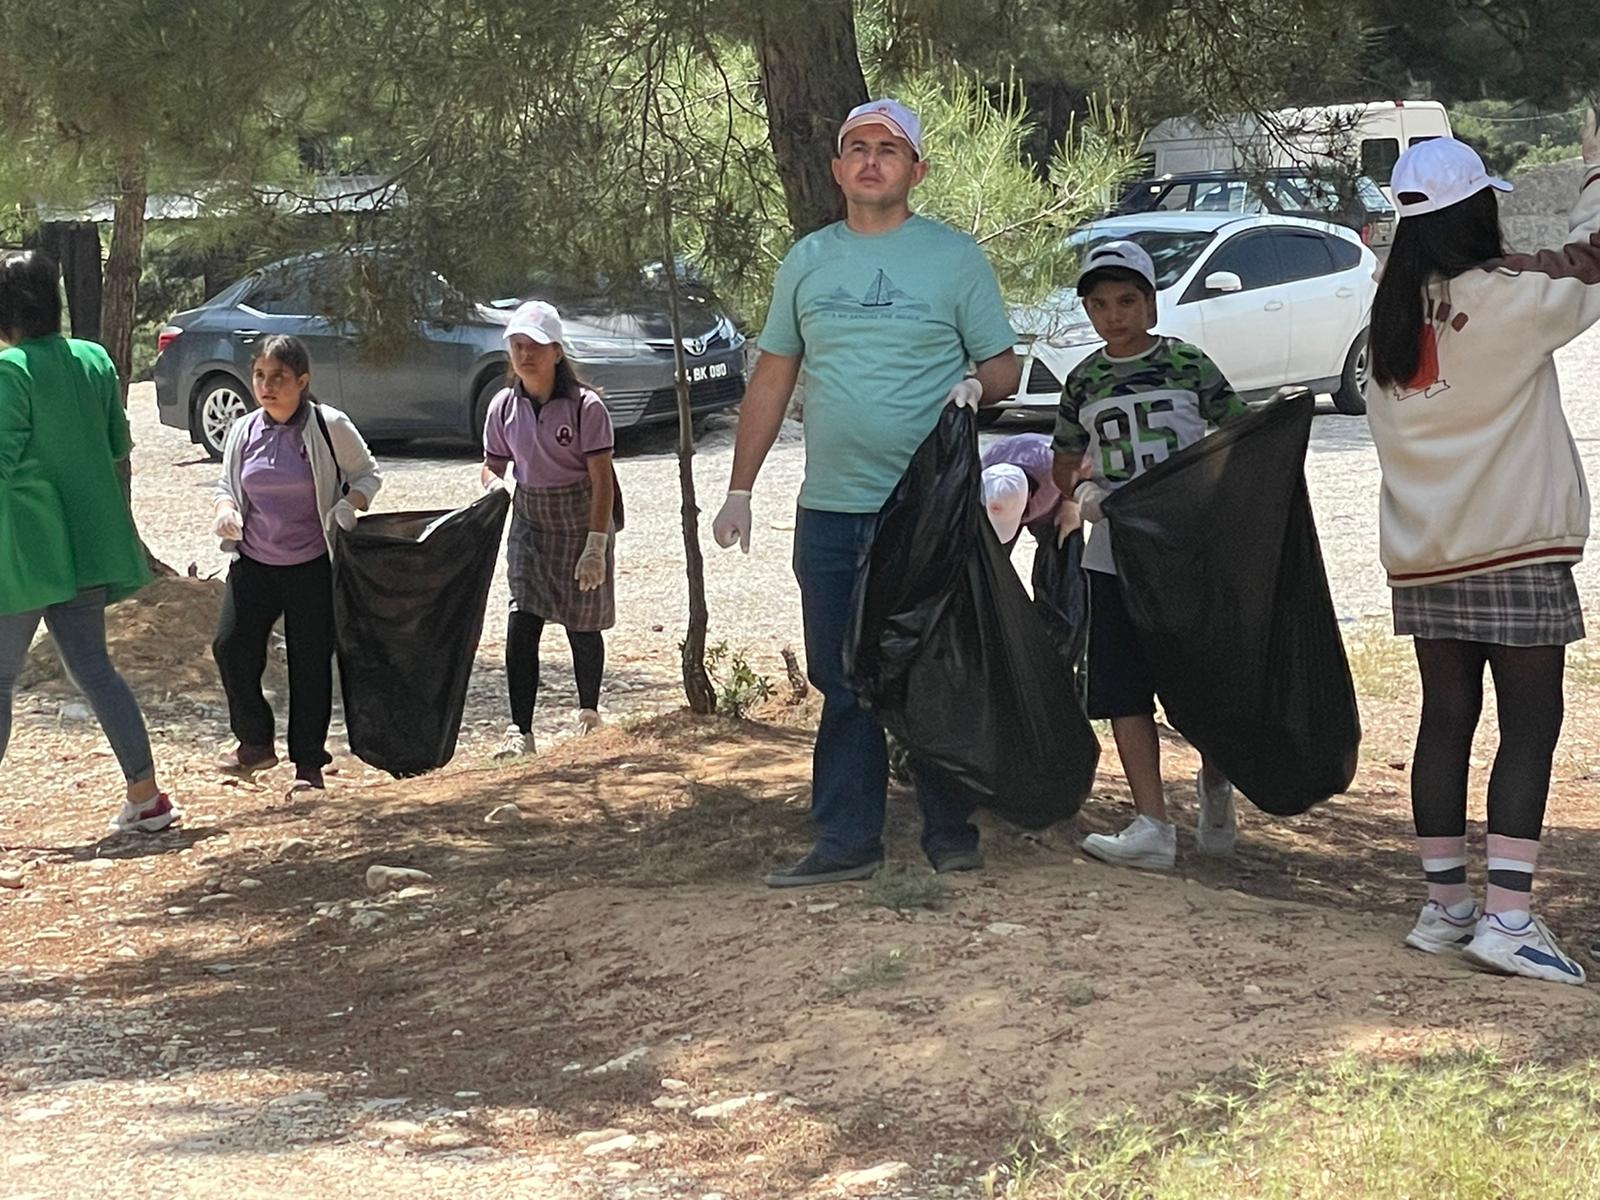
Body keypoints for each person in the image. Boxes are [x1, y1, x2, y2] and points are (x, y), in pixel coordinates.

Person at [711, 98, 1021, 887]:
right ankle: (846, 840)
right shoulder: (808, 262)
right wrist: (739, 487)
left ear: (915, 169)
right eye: (857, 147)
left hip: (932, 509)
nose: (872, 160)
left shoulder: (953, 259)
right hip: (833, 510)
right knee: (842, 675)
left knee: (936, 663)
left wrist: (972, 389)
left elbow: (1003, 367)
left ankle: (951, 830)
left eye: (889, 148)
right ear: (837, 167)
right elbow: (773, 376)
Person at [1366, 126, 1600, 985]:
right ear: (1479, 210)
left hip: (1428, 552)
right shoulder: (1506, 298)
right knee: (1531, 726)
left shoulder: (1388, 315)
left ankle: (1445, 907)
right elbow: (1595, 261)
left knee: (1446, 719)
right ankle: (1507, 916)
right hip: (1514, 547)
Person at [1051, 241, 1247, 871]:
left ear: (1151, 303)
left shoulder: (1189, 364)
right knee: (1123, 688)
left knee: (1204, 680)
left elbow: (1241, 434)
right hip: (1114, 555)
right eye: (1101, 304)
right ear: (1087, 311)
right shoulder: (1083, 380)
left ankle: (1217, 783)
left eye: (1128, 301)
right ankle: (1151, 823)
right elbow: (1062, 460)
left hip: (1190, 552)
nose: (1116, 315)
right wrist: (1084, 492)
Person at [0, 250, 177, 834]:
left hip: (26, 548)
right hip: (85, 545)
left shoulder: (11, 370)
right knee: (93, 667)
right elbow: (117, 447)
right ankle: (147, 795)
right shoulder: (95, 358)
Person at [211, 334, 381, 793]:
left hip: (311, 564)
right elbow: (227, 485)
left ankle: (308, 763)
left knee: (309, 665)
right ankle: (254, 742)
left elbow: (368, 473)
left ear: (302, 382)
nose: (267, 386)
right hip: (254, 561)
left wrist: (349, 505)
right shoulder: (244, 430)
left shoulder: (329, 426)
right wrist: (226, 511)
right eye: (260, 376)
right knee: (231, 647)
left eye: (279, 378)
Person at [481, 300, 618, 758]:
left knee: (582, 621)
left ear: (556, 352)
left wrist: (596, 544)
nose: (525, 355)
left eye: (535, 346)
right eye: (517, 346)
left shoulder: (586, 408)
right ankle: (520, 730)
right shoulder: (503, 406)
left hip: (581, 517)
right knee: (523, 618)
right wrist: (496, 485)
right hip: (530, 520)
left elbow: (601, 478)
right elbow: (493, 465)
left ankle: (589, 714)